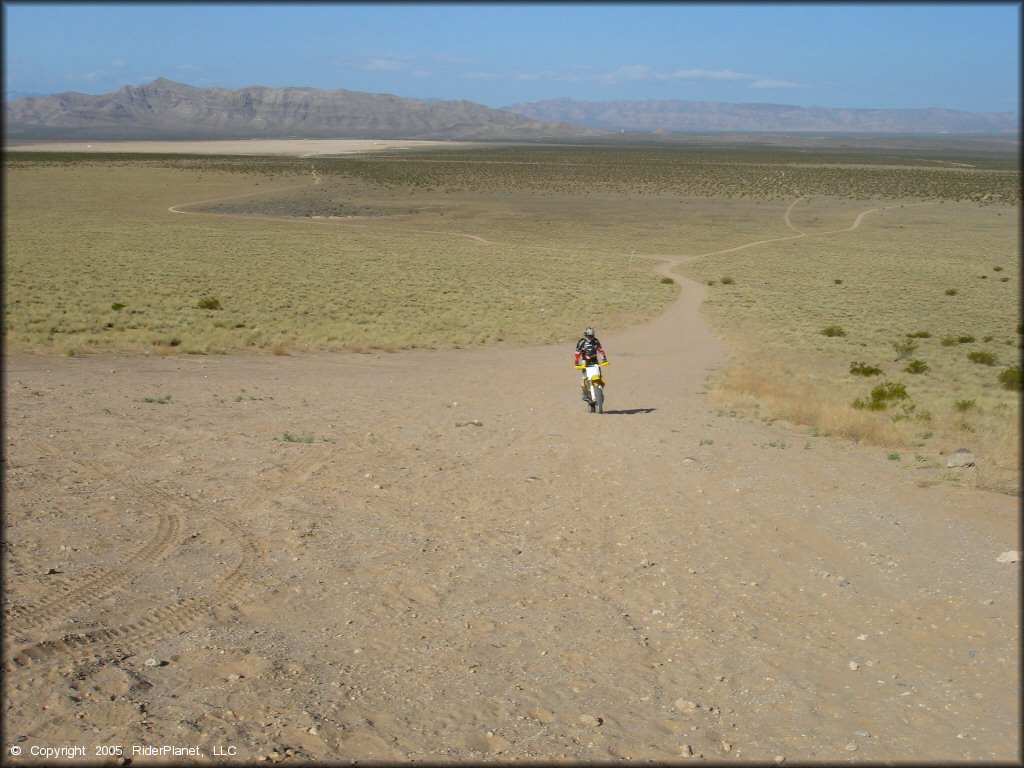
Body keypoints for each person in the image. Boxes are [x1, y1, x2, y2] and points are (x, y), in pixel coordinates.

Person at [574, 327, 608, 400]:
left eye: (591, 336)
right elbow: (577, 353)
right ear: (585, 335)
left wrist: (604, 359)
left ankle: (600, 391)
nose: (590, 337)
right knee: (584, 378)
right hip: (585, 362)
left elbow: (600, 350)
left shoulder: (596, 341)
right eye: (589, 336)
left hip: (595, 361)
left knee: (599, 376)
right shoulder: (581, 342)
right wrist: (576, 363)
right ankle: (585, 393)